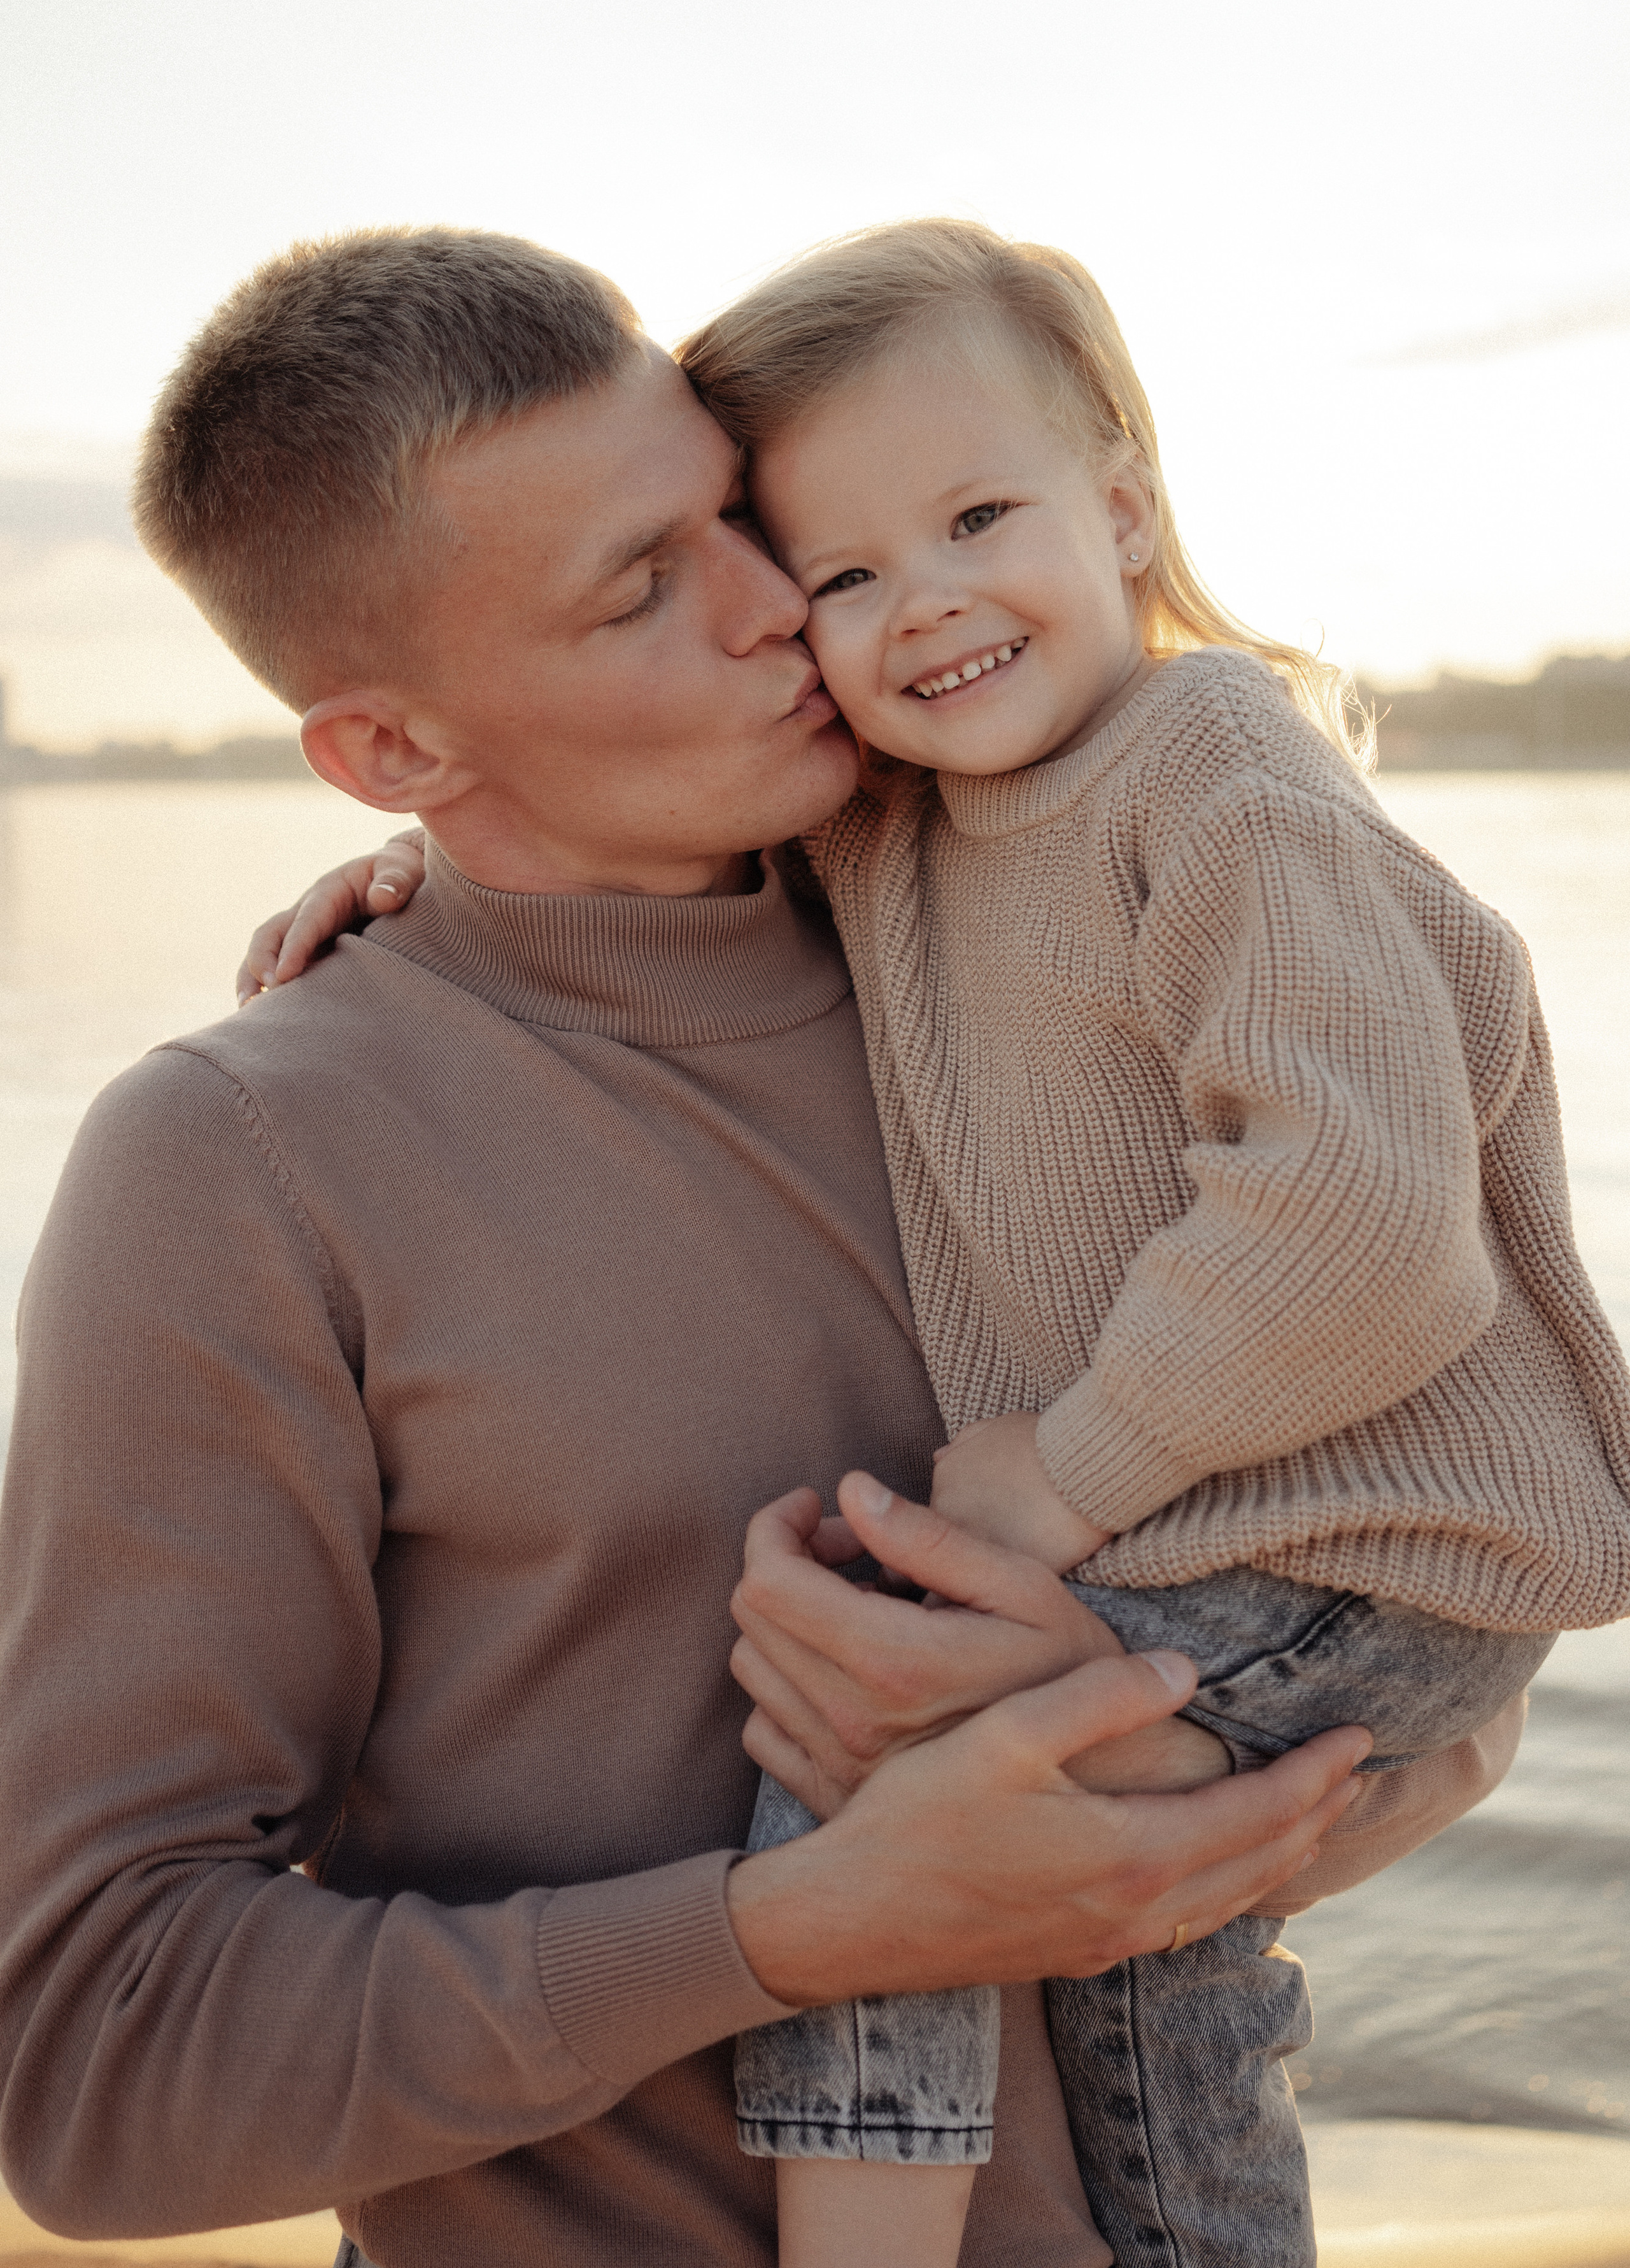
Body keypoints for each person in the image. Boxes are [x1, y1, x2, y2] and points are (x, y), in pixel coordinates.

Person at [0, 229, 1522, 2268]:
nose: (778, 610)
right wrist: (796, 1930)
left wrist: (1240, 1774)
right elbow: (95, 2072)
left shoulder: (1030, 933)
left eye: (739, 513)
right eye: (641, 590)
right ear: (394, 755)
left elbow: (1425, 1538)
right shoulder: (244, 1158)